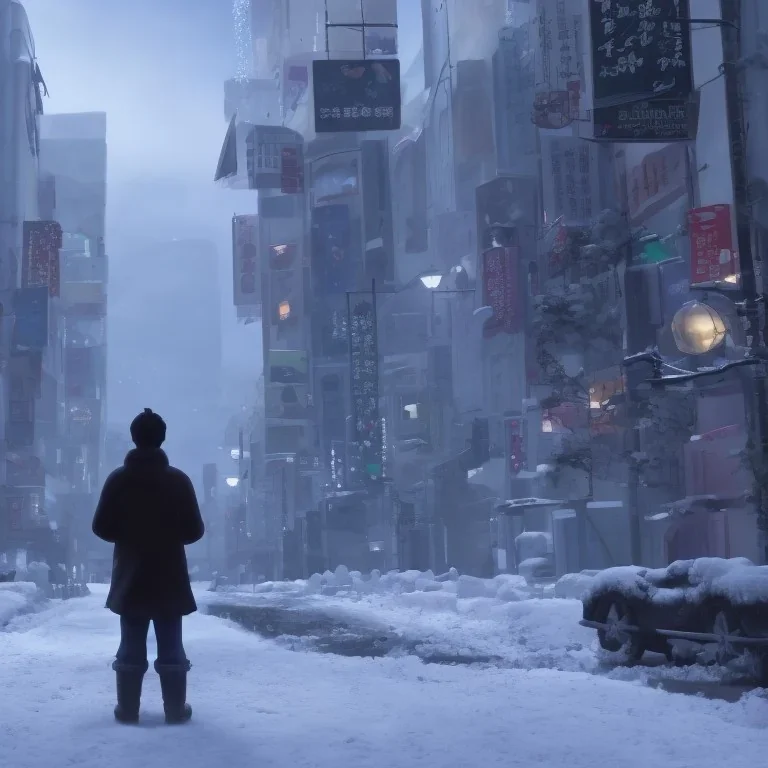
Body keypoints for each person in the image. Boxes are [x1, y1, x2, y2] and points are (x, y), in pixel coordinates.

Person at [92, 408, 204, 725]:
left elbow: (101, 526)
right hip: (169, 574)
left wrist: (129, 535)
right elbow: (195, 531)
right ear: (162, 438)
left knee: (130, 644)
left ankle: (128, 710)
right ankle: (174, 709)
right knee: (171, 645)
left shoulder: (119, 480)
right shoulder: (178, 481)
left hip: (131, 573)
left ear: (134, 437)